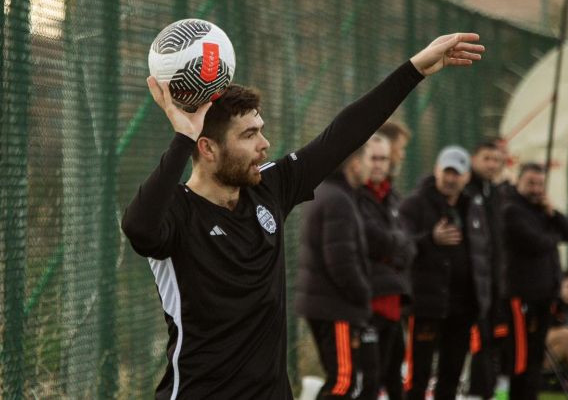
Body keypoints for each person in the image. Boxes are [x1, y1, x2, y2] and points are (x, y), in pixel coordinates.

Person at [120, 33, 485, 399]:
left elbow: (343, 133)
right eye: (249, 135)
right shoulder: (176, 212)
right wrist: (181, 138)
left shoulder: (269, 188)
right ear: (208, 148)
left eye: (261, 130)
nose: (264, 144)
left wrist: (415, 69)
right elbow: (138, 228)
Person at [295, 139, 374, 399]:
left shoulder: (330, 193)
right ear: (353, 163)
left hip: (327, 304)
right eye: (367, 160)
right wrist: (363, 294)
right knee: (342, 382)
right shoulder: (338, 199)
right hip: (335, 307)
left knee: (343, 380)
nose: (370, 167)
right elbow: (341, 261)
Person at [399, 146, 478, 400]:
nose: (451, 178)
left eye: (457, 173)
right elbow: (401, 244)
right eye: (447, 171)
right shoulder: (414, 204)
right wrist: (430, 239)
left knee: (452, 374)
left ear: (466, 177)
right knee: (418, 375)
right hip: (425, 305)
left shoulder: (472, 207)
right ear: (436, 171)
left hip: (463, 307)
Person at [502, 163, 568, 400]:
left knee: (535, 356)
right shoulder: (511, 209)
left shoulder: (542, 210)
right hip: (521, 295)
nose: (536, 189)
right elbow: (536, 243)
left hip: (545, 294)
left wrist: (552, 213)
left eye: (540, 184)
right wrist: (553, 237)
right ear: (519, 182)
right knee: (521, 357)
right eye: (530, 183)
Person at [356, 133, 416, 399]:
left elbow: (409, 246)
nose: (379, 164)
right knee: (368, 382)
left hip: (394, 303)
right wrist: (396, 245)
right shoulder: (355, 196)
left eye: (384, 159)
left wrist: (395, 246)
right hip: (367, 304)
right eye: (374, 158)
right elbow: (373, 240)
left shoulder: (393, 197)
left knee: (394, 382)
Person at [464, 141, 508, 400]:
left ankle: (486, 389)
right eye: (486, 158)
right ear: (474, 159)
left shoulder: (496, 194)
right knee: (477, 340)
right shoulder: (468, 192)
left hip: (494, 283)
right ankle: (476, 391)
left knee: (492, 339)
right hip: (473, 286)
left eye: (496, 159)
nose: (492, 164)